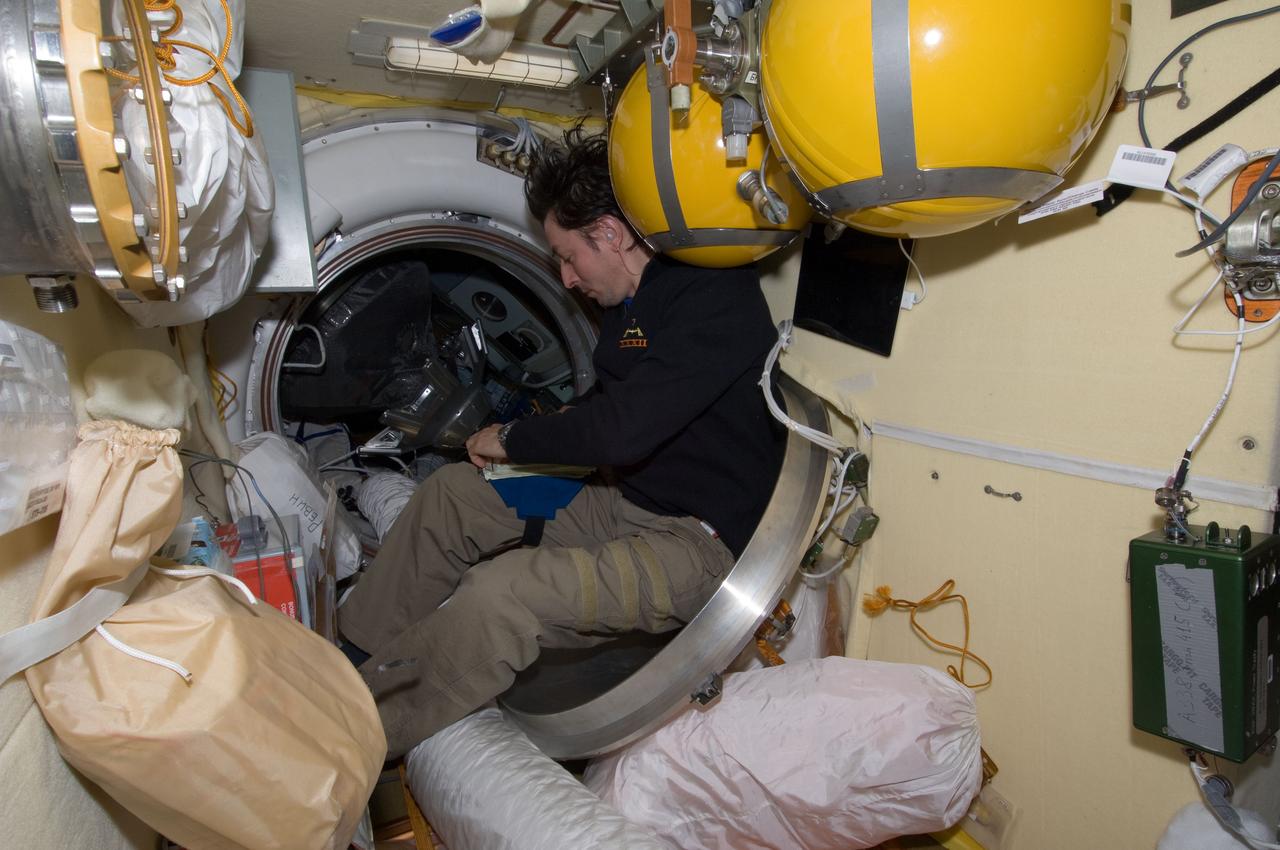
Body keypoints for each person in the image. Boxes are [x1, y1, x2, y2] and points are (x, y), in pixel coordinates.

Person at [337, 130, 786, 758]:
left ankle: (345, 738)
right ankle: (348, 658)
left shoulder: (714, 298)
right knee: (453, 494)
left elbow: (624, 426)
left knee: (501, 593)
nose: (568, 280)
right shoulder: (632, 305)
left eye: (569, 258)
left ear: (607, 233)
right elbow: (606, 409)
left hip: (694, 543)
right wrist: (525, 441)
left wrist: (514, 437)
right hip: (618, 496)